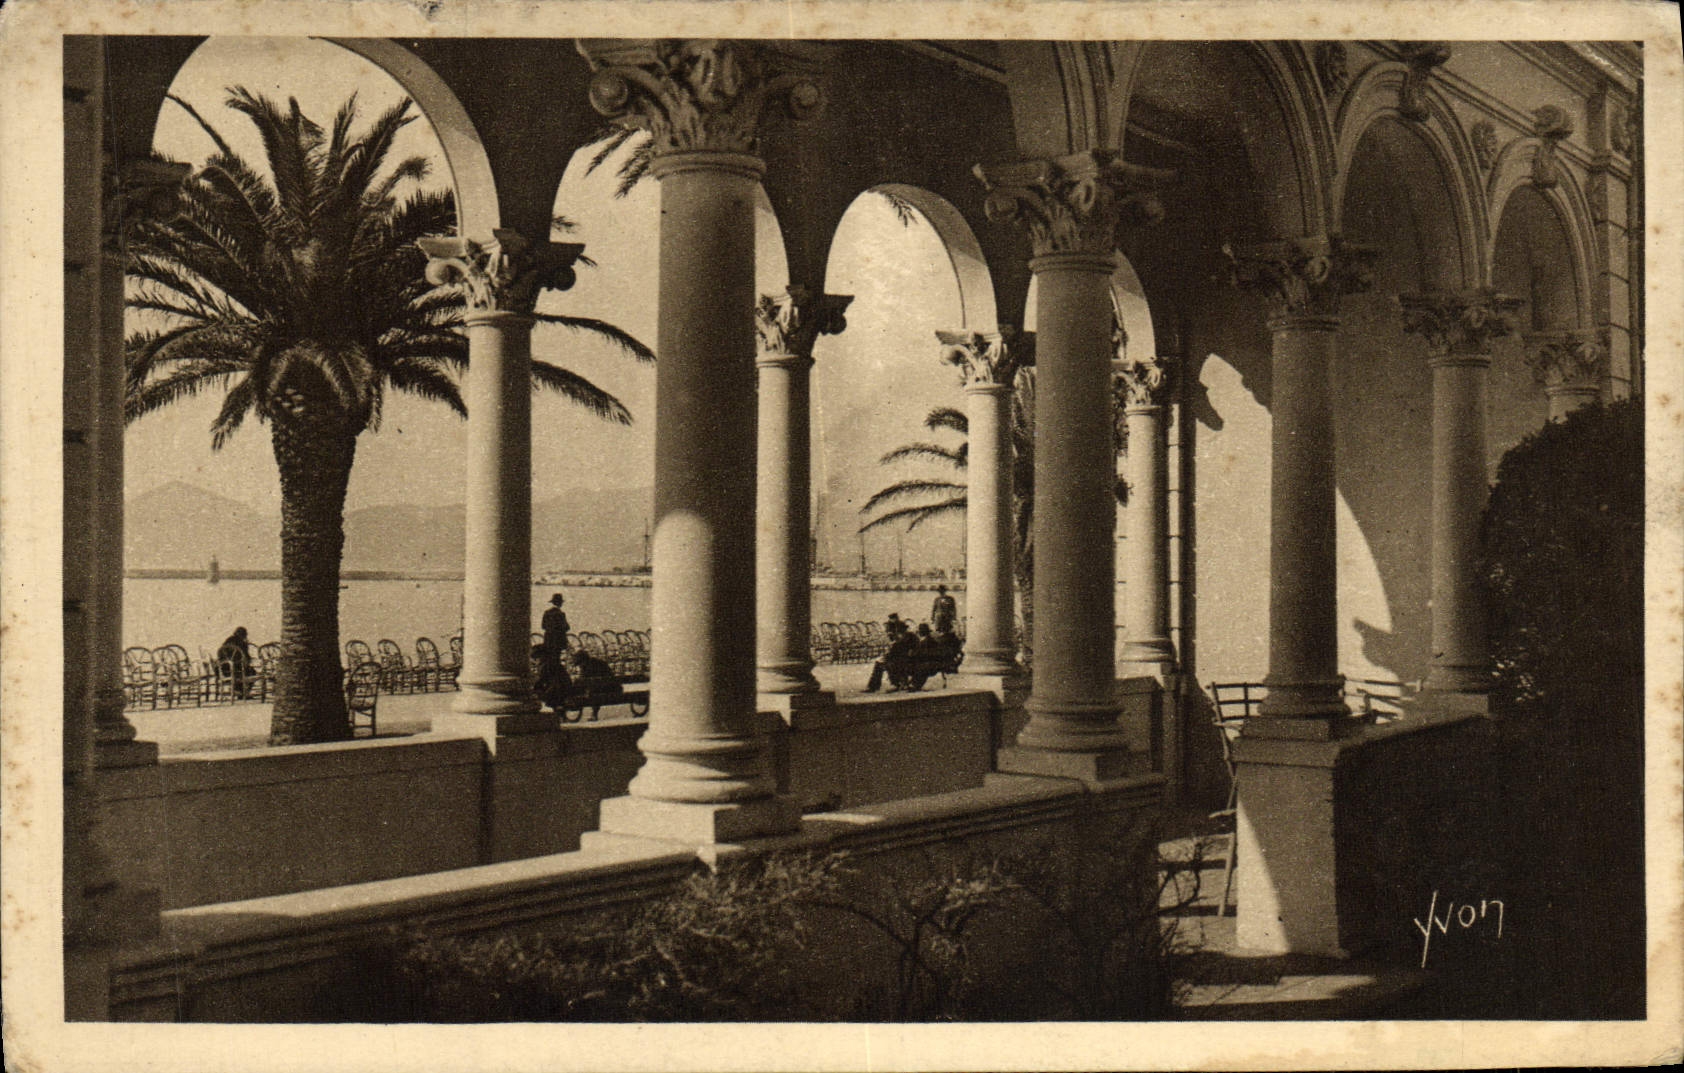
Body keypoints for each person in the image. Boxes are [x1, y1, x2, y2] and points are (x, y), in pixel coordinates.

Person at [535, 594, 572, 711]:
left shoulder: (546, 613)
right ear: (560, 603)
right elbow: (566, 627)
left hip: (548, 642)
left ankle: (547, 678)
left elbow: (543, 626)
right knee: (556, 661)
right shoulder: (561, 614)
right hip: (558, 643)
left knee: (549, 661)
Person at [865, 623, 918, 693]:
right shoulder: (911, 636)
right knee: (884, 663)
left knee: (882, 664)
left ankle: (875, 686)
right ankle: (877, 686)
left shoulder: (901, 641)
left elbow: (893, 653)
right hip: (907, 660)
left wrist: (885, 657)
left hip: (905, 662)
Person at [216, 626, 254, 699]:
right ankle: (242, 692)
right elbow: (246, 658)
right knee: (252, 672)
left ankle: (238, 690)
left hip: (224, 670)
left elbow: (220, 655)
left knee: (244, 671)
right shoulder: (242, 643)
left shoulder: (228, 641)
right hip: (238, 670)